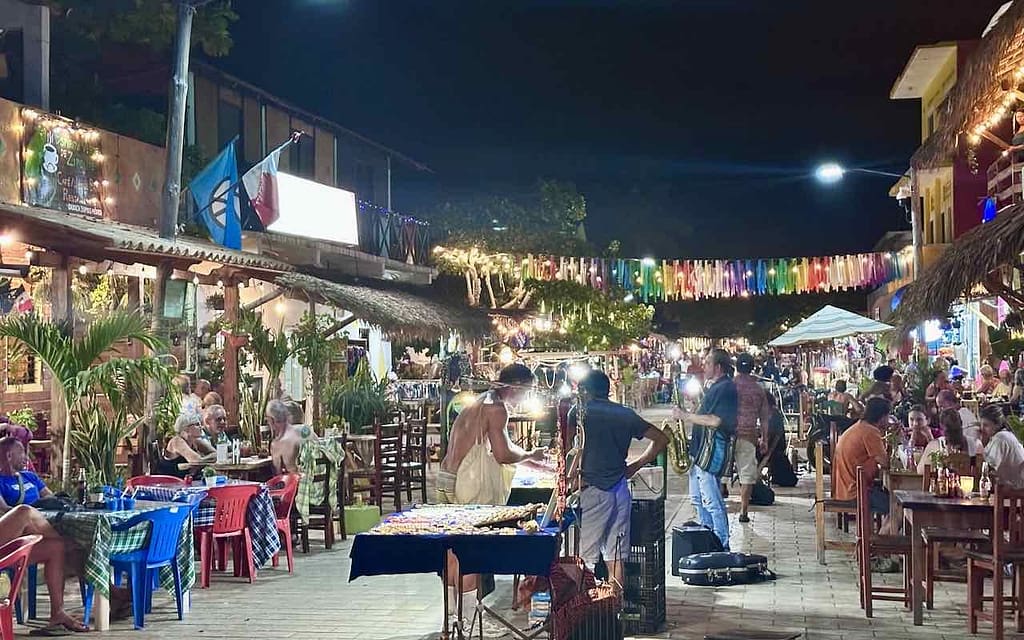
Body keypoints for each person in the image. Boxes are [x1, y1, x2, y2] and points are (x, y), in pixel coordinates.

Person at [437, 364, 545, 637]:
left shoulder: (476, 403)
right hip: (470, 484)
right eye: (527, 391)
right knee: (471, 550)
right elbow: (502, 454)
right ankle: (471, 622)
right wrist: (530, 455)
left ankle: (452, 619)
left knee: (453, 551)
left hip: (448, 477)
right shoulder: (497, 409)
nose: (525, 398)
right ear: (515, 387)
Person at [571, 371, 667, 588]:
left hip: (592, 489)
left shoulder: (578, 413)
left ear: (584, 390)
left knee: (585, 556)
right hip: (620, 490)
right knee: (616, 555)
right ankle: (615, 607)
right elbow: (662, 438)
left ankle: (585, 609)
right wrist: (635, 466)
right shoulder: (625, 414)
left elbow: (570, 451)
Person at [0, 438, 89, 632]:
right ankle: (67, 541)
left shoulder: (29, 477)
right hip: (4, 538)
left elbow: (51, 499)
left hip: (18, 546)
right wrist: (33, 514)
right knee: (24, 512)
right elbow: (4, 511)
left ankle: (57, 613)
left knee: (56, 548)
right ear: (8, 456)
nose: (26, 457)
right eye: (22, 452)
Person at [675, 348, 737, 550]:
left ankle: (721, 542)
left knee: (711, 500)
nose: (704, 366)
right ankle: (707, 537)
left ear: (718, 367)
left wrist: (685, 416)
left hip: (709, 454)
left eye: (708, 363)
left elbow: (716, 420)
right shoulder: (716, 387)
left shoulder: (726, 388)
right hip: (700, 452)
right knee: (698, 499)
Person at [832, 397, 896, 535]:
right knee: (899, 507)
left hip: (845, 487)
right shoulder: (870, 432)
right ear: (882, 416)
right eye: (888, 416)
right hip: (856, 492)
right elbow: (885, 462)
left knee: (891, 500)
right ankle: (877, 546)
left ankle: (873, 543)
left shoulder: (859, 426)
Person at [733, 353, 771, 523]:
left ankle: (719, 502)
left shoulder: (730, 386)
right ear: (752, 368)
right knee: (747, 473)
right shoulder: (759, 389)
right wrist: (765, 439)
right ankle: (743, 510)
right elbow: (764, 418)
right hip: (749, 435)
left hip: (728, 434)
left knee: (721, 472)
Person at [917, 408, 981, 475]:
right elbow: (921, 471)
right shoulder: (976, 444)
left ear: (941, 427)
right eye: (950, 432)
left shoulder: (975, 445)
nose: (953, 435)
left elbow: (921, 471)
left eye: (955, 431)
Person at [979, 404, 1024, 489]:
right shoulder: (1004, 435)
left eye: (986, 425)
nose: (982, 429)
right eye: (981, 424)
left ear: (997, 425)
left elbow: (989, 468)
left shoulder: (1000, 438)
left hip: (1015, 492)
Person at [267, 399, 312, 474]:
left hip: (297, 484)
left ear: (272, 420)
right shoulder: (308, 431)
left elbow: (278, 474)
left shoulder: (279, 443)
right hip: (320, 483)